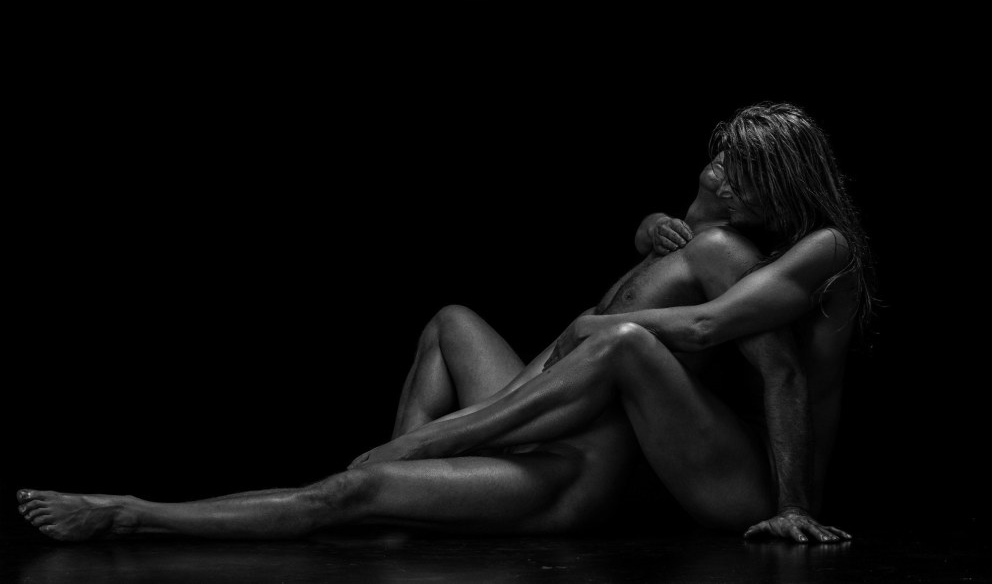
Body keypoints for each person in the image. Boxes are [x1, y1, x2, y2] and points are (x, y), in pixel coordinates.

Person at [16, 103, 867, 544]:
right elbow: (673, 280)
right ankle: (412, 487)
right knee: (453, 321)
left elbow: (773, 368)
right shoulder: (695, 238)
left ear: (769, 192)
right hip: (544, 419)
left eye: (739, 172)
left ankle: (130, 514)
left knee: (346, 491)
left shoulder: (750, 258)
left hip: (564, 468)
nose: (719, 173)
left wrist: (793, 505)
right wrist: (649, 234)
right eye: (721, 160)